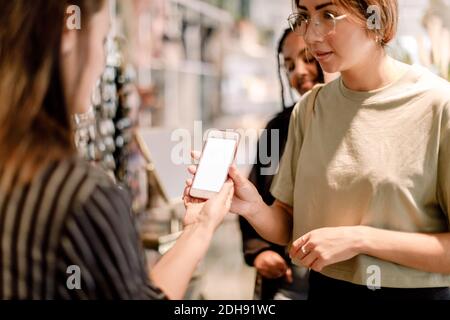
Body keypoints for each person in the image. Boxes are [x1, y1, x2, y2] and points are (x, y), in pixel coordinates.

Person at [186, 0, 450, 300]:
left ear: (376, 17)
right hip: (324, 290)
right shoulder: (309, 109)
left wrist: (361, 239)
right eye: (305, 17)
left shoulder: (438, 106)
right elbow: (288, 226)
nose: (311, 36)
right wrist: (252, 206)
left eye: (328, 15)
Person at [0, 0, 234, 300]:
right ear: (68, 33)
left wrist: (198, 227)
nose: (101, 61)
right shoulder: (81, 197)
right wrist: (203, 227)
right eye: (102, 40)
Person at [238, 28, 324, 300]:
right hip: (287, 282)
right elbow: (258, 197)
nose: (298, 72)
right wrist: (260, 251)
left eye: (308, 58)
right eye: (289, 65)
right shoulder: (278, 127)